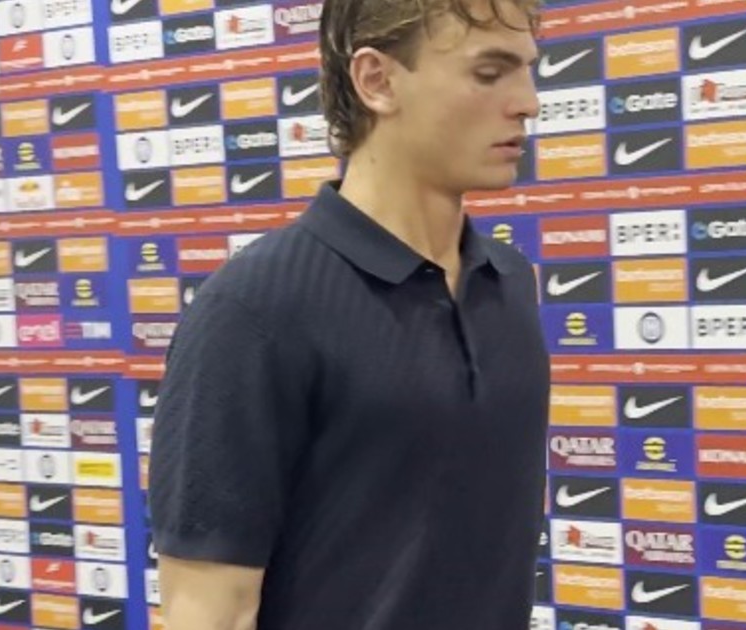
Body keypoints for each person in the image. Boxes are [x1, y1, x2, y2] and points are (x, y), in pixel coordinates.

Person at [147, 0, 549, 628]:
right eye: (490, 73)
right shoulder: (255, 309)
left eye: (528, 70)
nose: (528, 102)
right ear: (376, 81)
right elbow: (208, 611)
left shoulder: (510, 283)